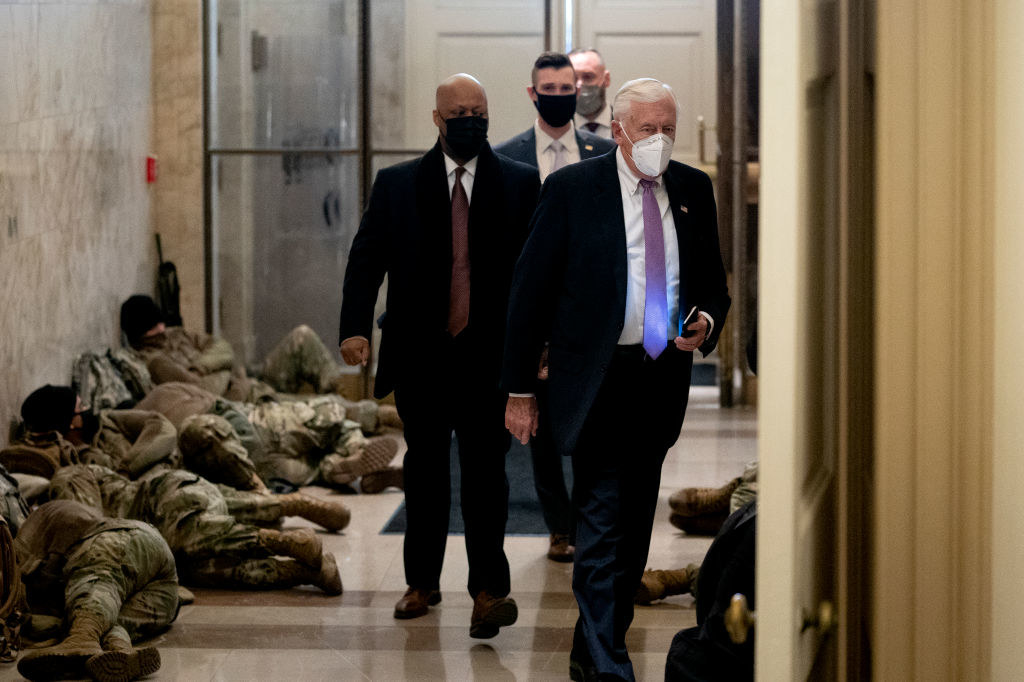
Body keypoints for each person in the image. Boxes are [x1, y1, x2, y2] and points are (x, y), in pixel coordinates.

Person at [502, 78, 731, 680]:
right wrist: (520, 388)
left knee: (630, 538)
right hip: (597, 378)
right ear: (620, 130)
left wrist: (705, 321)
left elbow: (713, 283)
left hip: (658, 379)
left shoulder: (691, 189)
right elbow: (529, 293)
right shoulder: (574, 189)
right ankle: (609, 667)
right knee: (600, 524)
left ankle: (590, 649)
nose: (660, 140)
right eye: (649, 128)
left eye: (669, 129)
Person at [338, 73, 540, 638]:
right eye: (459, 113)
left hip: (488, 356)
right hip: (421, 354)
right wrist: (355, 327)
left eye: (479, 110)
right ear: (437, 119)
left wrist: (539, 346)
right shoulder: (398, 184)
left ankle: (486, 590)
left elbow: (537, 272)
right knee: (424, 472)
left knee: (486, 475)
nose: (470, 120)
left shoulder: (521, 184)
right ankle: (421, 582)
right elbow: (366, 257)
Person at [493, 51, 615, 563]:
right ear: (532, 93)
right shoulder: (507, 156)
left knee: (589, 417)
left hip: (586, 312)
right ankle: (558, 526)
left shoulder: (603, 152)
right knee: (538, 430)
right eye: (552, 89)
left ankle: (588, 520)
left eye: (571, 89)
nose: (563, 97)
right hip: (529, 307)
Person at [48, 464, 344, 595]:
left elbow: (91, 529)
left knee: (191, 533)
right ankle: (307, 573)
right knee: (207, 570)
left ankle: (285, 542)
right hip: (164, 531)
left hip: (161, 498)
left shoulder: (68, 476)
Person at [15, 500, 178, 682]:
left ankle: (81, 638)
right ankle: (121, 649)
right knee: (105, 618)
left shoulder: (46, 514)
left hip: (122, 539)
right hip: (165, 588)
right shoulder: (83, 510)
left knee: (95, 587)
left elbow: (19, 565)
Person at [120, 294, 343, 402]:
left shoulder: (177, 335)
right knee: (315, 409)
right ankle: (362, 415)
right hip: (240, 399)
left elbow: (223, 347)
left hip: (248, 379)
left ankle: (337, 395)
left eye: (160, 322)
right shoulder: (155, 360)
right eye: (153, 326)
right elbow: (204, 391)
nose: (162, 327)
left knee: (302, 337)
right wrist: (223, 368)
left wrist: (202, 365)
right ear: (140, 332)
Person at [494, 51, 615, 184]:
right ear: (532, 93)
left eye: (566, 88)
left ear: (577, 92)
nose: (557, 95)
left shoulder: (607, 151)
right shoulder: (504, 156)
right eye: (549, 88)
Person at [569, 48, 613, 138]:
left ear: (606, 79)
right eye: (573, 78)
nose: (579, 85)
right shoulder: (557, 128)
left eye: (588, 77)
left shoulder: (626, 125)